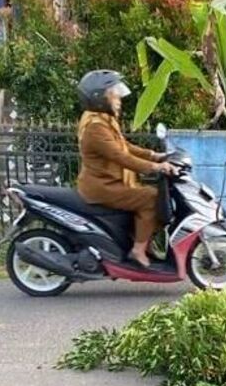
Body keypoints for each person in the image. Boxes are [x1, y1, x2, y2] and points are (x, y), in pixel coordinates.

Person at [75, 70, 179, 267]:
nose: (119, 99)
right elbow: (120, 156)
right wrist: (155, 167)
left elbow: (125, 146)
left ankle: (140, 240)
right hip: (103, 186)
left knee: (153, 196)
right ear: (99, 98)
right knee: (151, 198)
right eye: (114, 94)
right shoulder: (95, 127)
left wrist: (154, 155)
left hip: (109, 182)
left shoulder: (103, 119)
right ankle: (138, 250)